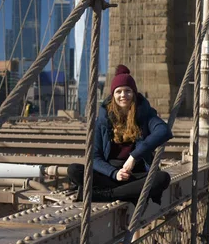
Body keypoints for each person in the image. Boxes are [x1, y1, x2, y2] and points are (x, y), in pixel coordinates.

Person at [67, 65, 173, 205]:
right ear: (113, 95)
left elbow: (163, 131)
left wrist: (134, 156)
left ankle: (104, 195)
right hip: (110, 175)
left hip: (136, 175)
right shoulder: (103, 120)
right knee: (74, 170)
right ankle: (127, 192)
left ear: (134, 93)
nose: (123, 95)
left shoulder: (145, 114)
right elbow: (95, 157)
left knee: (162, 178)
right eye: (119, 91)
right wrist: (114, 173)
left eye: (128, 91)